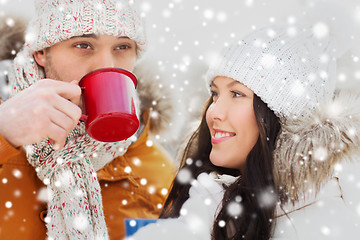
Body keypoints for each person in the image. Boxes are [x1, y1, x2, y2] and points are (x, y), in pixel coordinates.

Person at [127, 18, 360, 240]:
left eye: (237, 94)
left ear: (284, 118)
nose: (214, 111)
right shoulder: (212, 199)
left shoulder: (319, 226)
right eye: (215, 94)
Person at [0, 0, 176, 239]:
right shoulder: (6, 134)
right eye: (83, 44)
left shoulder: (157, 176)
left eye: (122, 47)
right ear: (42, 51)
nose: (106, 65)